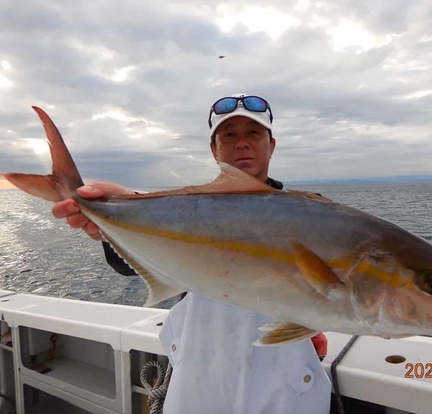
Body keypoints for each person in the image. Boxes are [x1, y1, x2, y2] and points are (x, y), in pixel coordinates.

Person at [52, 93, 332, 414]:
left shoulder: (315, 216)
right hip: (201, 378)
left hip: (285, 385)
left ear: (272, 145)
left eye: (253, 133)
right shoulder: (188, 212)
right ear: (214, 150)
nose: (242, 143)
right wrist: (114, 223)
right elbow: (128, 266)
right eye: (229, 135)